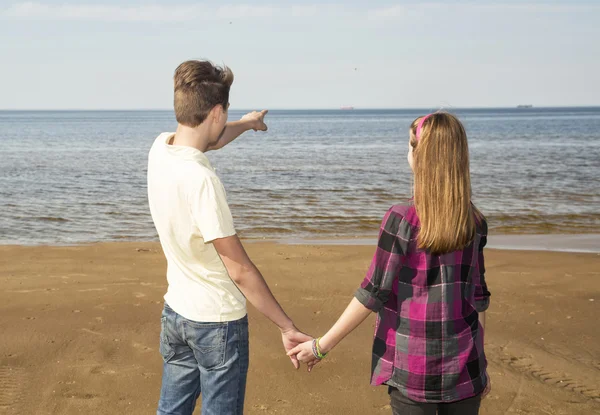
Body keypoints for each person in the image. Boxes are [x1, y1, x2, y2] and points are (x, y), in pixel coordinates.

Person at [288, 112, 491, 415]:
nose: (406, 152)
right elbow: (479, 300)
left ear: (422, 157)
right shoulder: (474, 222)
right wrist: (481, 362)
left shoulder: (401, 219)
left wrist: (321, 346)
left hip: (413, 369)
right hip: (466, 369)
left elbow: (372, 293)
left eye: (410, 145)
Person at [147, 60, 311, 415]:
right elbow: (239, 269)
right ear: (218, 111)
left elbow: (209, 140)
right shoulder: (202, 181)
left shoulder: (160, 149)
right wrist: (287, 326)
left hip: (176, 314)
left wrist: (249, 124)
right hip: (217, 324)